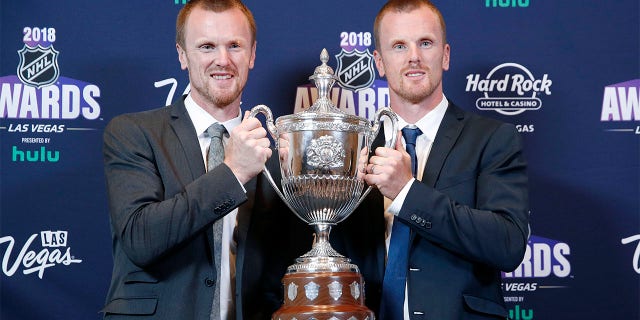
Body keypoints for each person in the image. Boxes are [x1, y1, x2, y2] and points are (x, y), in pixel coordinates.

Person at [100, 0, 307, 319]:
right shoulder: (134, 133)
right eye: (207, 46)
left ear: (252, 54)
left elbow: (284, 268)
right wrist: (233, 171)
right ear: (183, 55)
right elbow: (141, 239)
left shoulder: (274, 151)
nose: (222, 60)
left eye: (235, 46)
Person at [353, 0, 531, 319]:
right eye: (398, 46)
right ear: (379, 62)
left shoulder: (491, 139)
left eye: (425, 43)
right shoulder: (356, 149)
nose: (414, 58)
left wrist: (407, 192)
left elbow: (508, 244)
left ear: (445, 55)